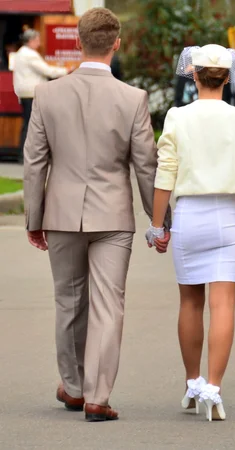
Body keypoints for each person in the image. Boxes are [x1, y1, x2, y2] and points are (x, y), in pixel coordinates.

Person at [22, 8, 168, 422]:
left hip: (61, 212)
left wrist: (34, 218)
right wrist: (159, 221)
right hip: (114, 216)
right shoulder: (132, 98)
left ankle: (72, 386)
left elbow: (34, 162)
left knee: (68, 301)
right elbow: (146, 165)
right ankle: (97, 396)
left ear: (78, 42)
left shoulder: (46, 94)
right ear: (116, 44)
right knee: (109, 305)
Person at [148, 44, 235, 422]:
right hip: (229, 216)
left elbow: (164, 173)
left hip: (189, 217)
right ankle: (213, 389)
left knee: (190, 303)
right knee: (223, 305)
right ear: (228, 77)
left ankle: (192, 381)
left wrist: (156, 225)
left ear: (194, 75)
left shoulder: (176, 117)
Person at [12, 29, 69, 163]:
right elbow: (47, 71)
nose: (39, 43)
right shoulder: (30, 55)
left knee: (28, 124)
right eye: (37, 40)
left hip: (24, 94)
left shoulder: (20, 53)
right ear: (31, 41)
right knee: (35, 125)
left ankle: (23, 155)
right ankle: (29, 156)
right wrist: (67, 70)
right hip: (33, 93)